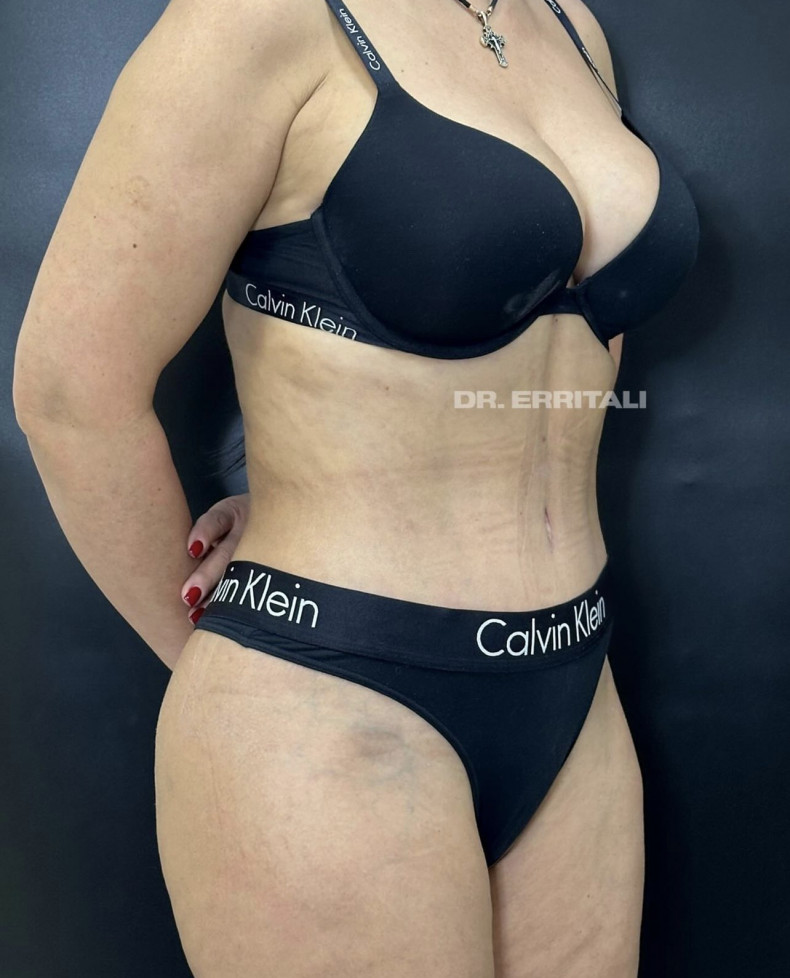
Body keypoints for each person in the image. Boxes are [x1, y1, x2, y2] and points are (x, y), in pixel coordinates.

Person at [13, 0, 699, 974]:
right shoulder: (256, 20)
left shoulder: (566, 23)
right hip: (333, 696)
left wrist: (358, 460)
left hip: (573, 686)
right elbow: (69, 395)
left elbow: (559, 359)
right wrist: (250, 654)